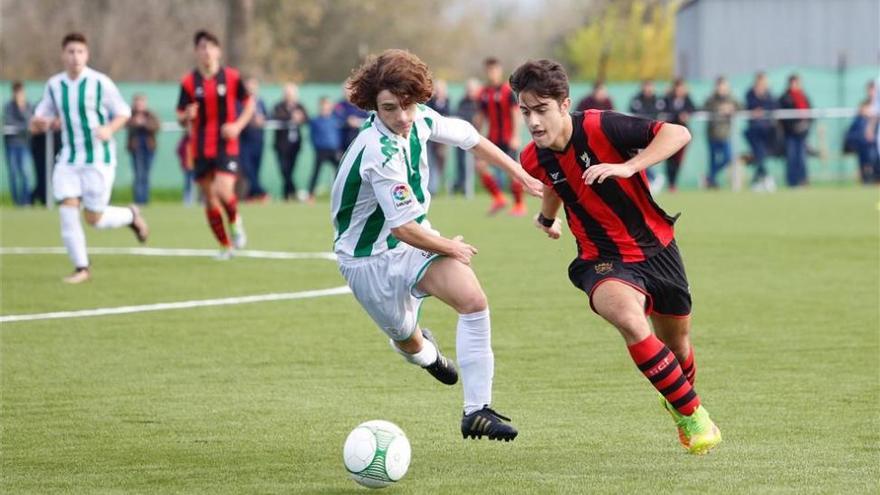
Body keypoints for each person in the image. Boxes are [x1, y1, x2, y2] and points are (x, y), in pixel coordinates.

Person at [509, 59, 721, 454]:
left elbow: (678, 132)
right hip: (600, 257)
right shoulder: (532, 156)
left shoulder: (599, 125)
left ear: (563, 104)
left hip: (657, 247)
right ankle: (694, 415)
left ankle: (678, 399)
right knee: (627, 316)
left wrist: (629, 166)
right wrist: (547, 218)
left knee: (678, 349)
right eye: (525, 112)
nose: (534, 122)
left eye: (541, 110)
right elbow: (553, 182)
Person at [330, 49, 542, 441]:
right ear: (373, 106)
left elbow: (473, 139)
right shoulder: (378, 151)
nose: (402, 117)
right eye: (390, 108)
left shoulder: (422, 119)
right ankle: (428, 355)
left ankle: (476, 410)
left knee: (473, 300)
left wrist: (521, 174)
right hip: (368, 263)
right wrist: (450, 246)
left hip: (412, 241)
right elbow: (403, 228)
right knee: (407, 340)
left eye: (407, 105)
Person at [30, 32, 149, 284]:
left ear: (87, 54)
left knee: (94, 218)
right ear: (63, 55)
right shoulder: (54, 85)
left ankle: (130, 215)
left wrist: (109, 129)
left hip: (98, 158)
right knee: (67, 209)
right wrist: (38, 123)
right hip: (69, 159)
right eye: (71, 52)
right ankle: (81, 267)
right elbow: (40, 117)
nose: (75, 57)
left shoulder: (99, 82)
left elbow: (123, 112)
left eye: (80, 52)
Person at [176, 30, 255, 258]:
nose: (207, 51)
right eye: (202, 47)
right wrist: (186, 115)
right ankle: (225, 246)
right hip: (200, 147)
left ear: (218, 51)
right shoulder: (189, 82)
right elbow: (180, 115)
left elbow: (249, 104)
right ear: (196, 52)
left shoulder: (231, 77)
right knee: (210, 198)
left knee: (223, 189)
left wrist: (237, 126)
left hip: (225, 144)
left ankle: (235, 220)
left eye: (211, 46)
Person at [476, 57, 526, 216]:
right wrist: (476, 133)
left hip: (507, 138)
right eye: (489, 70)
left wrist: (516, 136)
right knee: (480, 166)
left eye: (495, 70)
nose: (492, 73)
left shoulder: (507, 91)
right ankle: (498, 198)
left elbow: (515, 114)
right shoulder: (483, 93)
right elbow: (481, 116)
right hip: (492, 138)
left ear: (500, 71)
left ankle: (519, 205)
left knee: (513, 172)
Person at [272, 83, 308, 201]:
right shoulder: (279, 106)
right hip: (281, 145)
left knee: (290, 170)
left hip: (295, 145)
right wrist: (291, 117)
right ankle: (294, 191)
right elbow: (276, 117)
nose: (289, 96)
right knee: (284, 170)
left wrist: (301, 117)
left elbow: (306, 118)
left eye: (292, 93)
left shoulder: (300, 106)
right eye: (287, 93)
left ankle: (286, 196)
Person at [629, 80, 667, 192]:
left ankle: (653, 178)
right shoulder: (636, 99)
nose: (648, 89)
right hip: (638, 132)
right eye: (646, 86)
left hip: (653, 133)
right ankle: (653, 178)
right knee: (640, 156)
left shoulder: (658, 100)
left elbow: (661, 113)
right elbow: (633, 112)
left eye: (650, 86)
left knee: (645, 157)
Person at [703, 76, 740, 189]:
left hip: (726, 134)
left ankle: (710, 177)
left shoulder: (731, 98)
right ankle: (712, 182)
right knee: (713, 160)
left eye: (724, 86)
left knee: (728, 158)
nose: (722, 88)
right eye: (720, 86)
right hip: (713, 134)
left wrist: (731, 108)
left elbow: (740, 106)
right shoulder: (711, 99)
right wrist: (719, 109)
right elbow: (704, 108)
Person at [743, 72, 777, 192]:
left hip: (766, 131)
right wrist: (755, 109)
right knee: (759, 155)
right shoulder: (750, 93)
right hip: (754, 131)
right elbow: (748, 106)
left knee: (761, 156)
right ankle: (765, 178)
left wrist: (763, 108)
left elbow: (773, 106)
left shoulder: (768, 94)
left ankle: (758, 179)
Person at [778, 74, 812, 187]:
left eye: (797, 83)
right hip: (790, 134)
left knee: (802, 157)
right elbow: (783, 117)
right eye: (793, 83)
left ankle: (803, 180)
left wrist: (805, 125)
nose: (795, 85)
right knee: (791, 157)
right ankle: (792, 182)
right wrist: (794, 126)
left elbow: (810, 114)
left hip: (802, 134)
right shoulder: (784, 98)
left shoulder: (803, 97)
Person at [661, 78, 695, 192]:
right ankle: (670, 183)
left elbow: (693, 109)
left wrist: (687, 114)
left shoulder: (687, 99)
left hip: (682, 134)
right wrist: (677, 115)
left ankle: (673, 183)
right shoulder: (668, 99)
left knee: (678, 160)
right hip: (669, 133)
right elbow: (663, 110)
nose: (681, 90)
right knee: (668, 158)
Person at [126, 93, 160, 205]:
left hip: (149, 148)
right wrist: (135, 122)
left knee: (146, 175)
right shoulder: (129, 115)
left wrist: (145, 124)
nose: (139, 105)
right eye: (137, 102)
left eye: (142, 102)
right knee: (138, 174)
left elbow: (157, 126)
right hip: (136, 149)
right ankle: (138, 200)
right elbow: (126, 124)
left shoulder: (150, 115)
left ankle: (145, 200)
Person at [3, 81, 33, 206]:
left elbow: (29, 124)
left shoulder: (28, 106)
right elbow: (8, 124)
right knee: (13, 173)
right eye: (16, 93)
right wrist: (22, 128)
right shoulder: (8, 107)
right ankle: (16, 202)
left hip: (24, 144)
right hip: (11, 145)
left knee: (25, 173)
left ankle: (25, 201)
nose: (18, 95)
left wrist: (19, 127)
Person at [239, 76, 269, 202]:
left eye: (253, 85)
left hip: (258, 140)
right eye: (249, 85)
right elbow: (238, 116)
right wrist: (250, 120)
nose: (251, 88)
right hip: (244, 140)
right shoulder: (240, 101)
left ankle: (250, 196)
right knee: (247, 168)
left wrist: (262, 120)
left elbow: (267, 116)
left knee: (256, 169)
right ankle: (262, 192)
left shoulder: (261, 101)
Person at [307, 97, 342, 202]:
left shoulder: (334, 120)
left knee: (341, 172)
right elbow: (312, 136)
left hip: (333, 150)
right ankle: (310, 195)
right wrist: (316, 146)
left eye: (327, 107)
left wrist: (338, 148)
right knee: (316, 172)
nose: (325, 109)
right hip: (321, 151)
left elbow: (338, 135)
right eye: (323, 107)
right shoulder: (315, 121)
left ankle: (341, 194)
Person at [453, 78, 482, 195]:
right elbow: (458, 117)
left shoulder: (481, 103)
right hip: (462, 138)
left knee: (475, 164)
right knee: (462, 164)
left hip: (478, 139)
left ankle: (469, 189)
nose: (470, 92)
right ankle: (461, 187)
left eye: (472, 90)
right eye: (468, 90)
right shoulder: (462, 102)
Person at [426, 79, 451, 195]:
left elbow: (448, 115)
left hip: (443, 138)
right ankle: (431, 188)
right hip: (430, 137)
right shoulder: (430, 102)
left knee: (440, 161)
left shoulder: (447, 101)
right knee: (430, 162)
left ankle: (435, 185)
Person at [334, 84, 369, 152]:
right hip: (343, 144)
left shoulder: (362, 105)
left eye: (350, 90)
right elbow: (335, 121)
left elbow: (369, 121)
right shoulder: (339, 105)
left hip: (360, 143)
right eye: (345, 90)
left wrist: (358, 122)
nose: (348, 93)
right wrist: (347, 122)